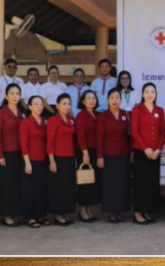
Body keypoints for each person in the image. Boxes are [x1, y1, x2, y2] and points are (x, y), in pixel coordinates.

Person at [131, 82, 165, 225]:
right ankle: (137, 212)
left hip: (155, 153)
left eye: (152, 92)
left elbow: (162, 132)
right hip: (141, 152)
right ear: (142, 94)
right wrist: (145, 148)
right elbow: (134, 132)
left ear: (156, 94)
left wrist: (158, 149)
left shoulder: (160, 110)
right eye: (147, 91)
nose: (150, 94)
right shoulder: (137, 110)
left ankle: (147, 211)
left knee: (151, 183)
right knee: (141, 183)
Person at [0, 84, 27, 227]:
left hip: (20, 154)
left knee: (17, 184)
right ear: (6, 96)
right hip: (6, 154)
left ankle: (14, 213)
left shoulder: (22, 112)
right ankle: (6, 215)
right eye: (11, 93)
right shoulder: (1, 113)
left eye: (17, 93)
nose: (15, 96)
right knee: (7, 185)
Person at [97, 89, 131, 224]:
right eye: (112, 97)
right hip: (108, 155)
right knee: (110, 184)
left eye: (117, 97)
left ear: (121, 100)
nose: (115, 100)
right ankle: (111, 212)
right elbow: (99, 138)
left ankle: (120, 211)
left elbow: (128, 135)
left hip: (123, 154)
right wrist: (100, 157)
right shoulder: (103, 116)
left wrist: (131, 152)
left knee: (122, 183)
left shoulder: (125, 115)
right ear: (108, 100)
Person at [47, 93, 77, 226]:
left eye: (69, 104)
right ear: (57, 105)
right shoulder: (53, 120)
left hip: (70, 157)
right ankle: (58, 215)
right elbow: (50, 142)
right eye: (64, 104)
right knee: (58, 187)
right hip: (58, 158)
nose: (67, 106)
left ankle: (65, 213)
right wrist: (52, 160)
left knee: (68, 187)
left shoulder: (71, 120)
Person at [20, 96, 49, 228]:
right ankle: (31, 217)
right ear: (29, 106)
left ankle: (40, 215)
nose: (39, 106)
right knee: (30, 189)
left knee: (41, 188)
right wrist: (27, 162)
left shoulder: (45, 121)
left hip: (43, 159)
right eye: (36, 104)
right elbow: (23, 144)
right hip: (30, 160)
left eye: (41, 104)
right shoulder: (25, 122)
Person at [75, 90, 100, 222]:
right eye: (88, 98)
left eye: (93, 98)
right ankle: (82, 210)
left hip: (95, 151)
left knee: (91, 181)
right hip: (85, 151)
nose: (91, 100)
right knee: (84, 181)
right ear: (83, 101)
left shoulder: (97, 114)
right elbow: (80, 135)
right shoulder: (81, 115)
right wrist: (85, 152)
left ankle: (89, 209)